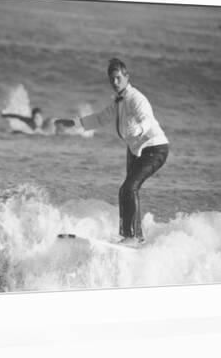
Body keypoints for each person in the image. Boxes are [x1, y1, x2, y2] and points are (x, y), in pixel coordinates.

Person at [55, 58, 169, 245]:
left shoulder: (136, 98)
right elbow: (100, 119)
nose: (115, 83)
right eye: (112, 80)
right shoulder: (118, 102)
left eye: (118, 78)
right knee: (128, 190)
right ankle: (135, 236)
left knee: (128, 188)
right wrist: (75, 123)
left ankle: (131, 237)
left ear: (126, 77)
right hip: (135, 149)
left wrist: (139, 129)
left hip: (154, 148)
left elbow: (146, 118)